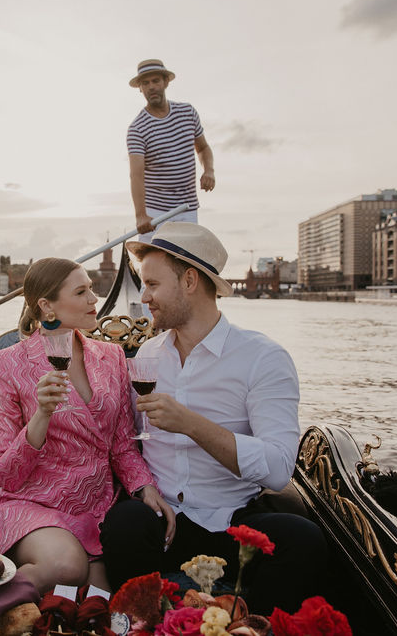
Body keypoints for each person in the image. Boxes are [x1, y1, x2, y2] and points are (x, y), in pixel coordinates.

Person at [99, 222, 327, 613]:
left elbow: (276, 469)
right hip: (163, 520)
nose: (144, 297)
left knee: (303, 540)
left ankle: (247, 624)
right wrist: (143, 490)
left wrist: (191, 424)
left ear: (189, 280)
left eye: (152, 284)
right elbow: (126, 444)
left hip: (233, 520)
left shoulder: (263, 358)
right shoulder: (146, 358)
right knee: (123, 524)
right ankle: (144, 621)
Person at [0, 257, 172, 594]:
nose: (95, 299)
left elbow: (121, 444)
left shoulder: (112, 357)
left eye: (91, 288)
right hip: (32, 502)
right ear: (47, 307)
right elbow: (6, 474)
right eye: (81, 292)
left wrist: (145, 487)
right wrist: (41, 415)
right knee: (67, 566)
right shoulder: (4, 365)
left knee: (104, 598)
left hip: (95, 506)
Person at [127, 59, 216, 243]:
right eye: (146, 83)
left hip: (187, 208)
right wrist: (141, 215)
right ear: (140, 89)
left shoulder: (187, 112)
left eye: (156, 81)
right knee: (152, 265)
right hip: (155, 212)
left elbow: (203, 148)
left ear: (165, 82)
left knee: (187, 263)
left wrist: (209, 170)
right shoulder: (137, 128)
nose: (151, 87)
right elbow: (136, 175)